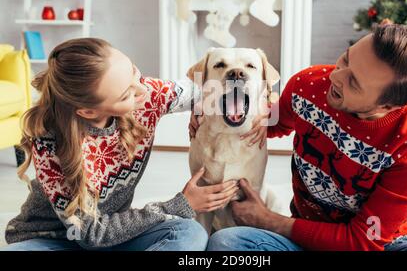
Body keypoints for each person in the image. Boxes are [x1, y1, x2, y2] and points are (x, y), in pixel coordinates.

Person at [191, 24, 407, 251]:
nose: (335, 76)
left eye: (354, 82)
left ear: (388, 106)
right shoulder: (308, 85)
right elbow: (268, 120)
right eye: (346, 60)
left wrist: (268, 220)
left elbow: (364, 241)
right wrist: (207, 112)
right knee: (227, 242)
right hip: (300, 237)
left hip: (380, 244)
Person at [2, 38, 238, 251]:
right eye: (126, 95)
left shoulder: (144, 95)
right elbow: (91, 234)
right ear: (88, 111)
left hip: (116, 236)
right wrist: (178, 204)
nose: (143, 90)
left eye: (134, 72)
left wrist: (212, 107)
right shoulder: (51, 144)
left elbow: (208, 91)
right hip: (52, 240)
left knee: (189, 233)